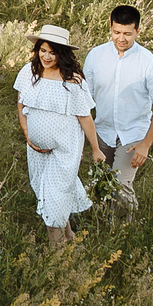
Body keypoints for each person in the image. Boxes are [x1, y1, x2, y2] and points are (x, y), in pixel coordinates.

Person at [13, 24, 95, 247]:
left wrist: (95, 149)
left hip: (64, 150)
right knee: (46, 192)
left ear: (62, 53)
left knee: (53, 200)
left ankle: (56, 255)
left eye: (53, 51)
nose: (46, 56)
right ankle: (69, 238)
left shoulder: (73, 80)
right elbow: (21, 105)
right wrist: (28, 135)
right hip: (36, 151)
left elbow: (85, 117)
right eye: (43, 50)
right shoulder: (29, 72)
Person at [83, 4, 153, 208]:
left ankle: (126, 231)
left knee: (121, 187)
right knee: (101, 185)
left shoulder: (149, 63)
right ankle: (103, 229)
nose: (121, 38)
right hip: (102, 132)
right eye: (116, 32)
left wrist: (145, 144)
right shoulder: (95, 56)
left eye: (127, 34)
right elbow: (85, 99)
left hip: (132, 136)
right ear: (110, 28)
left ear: (137, 31)